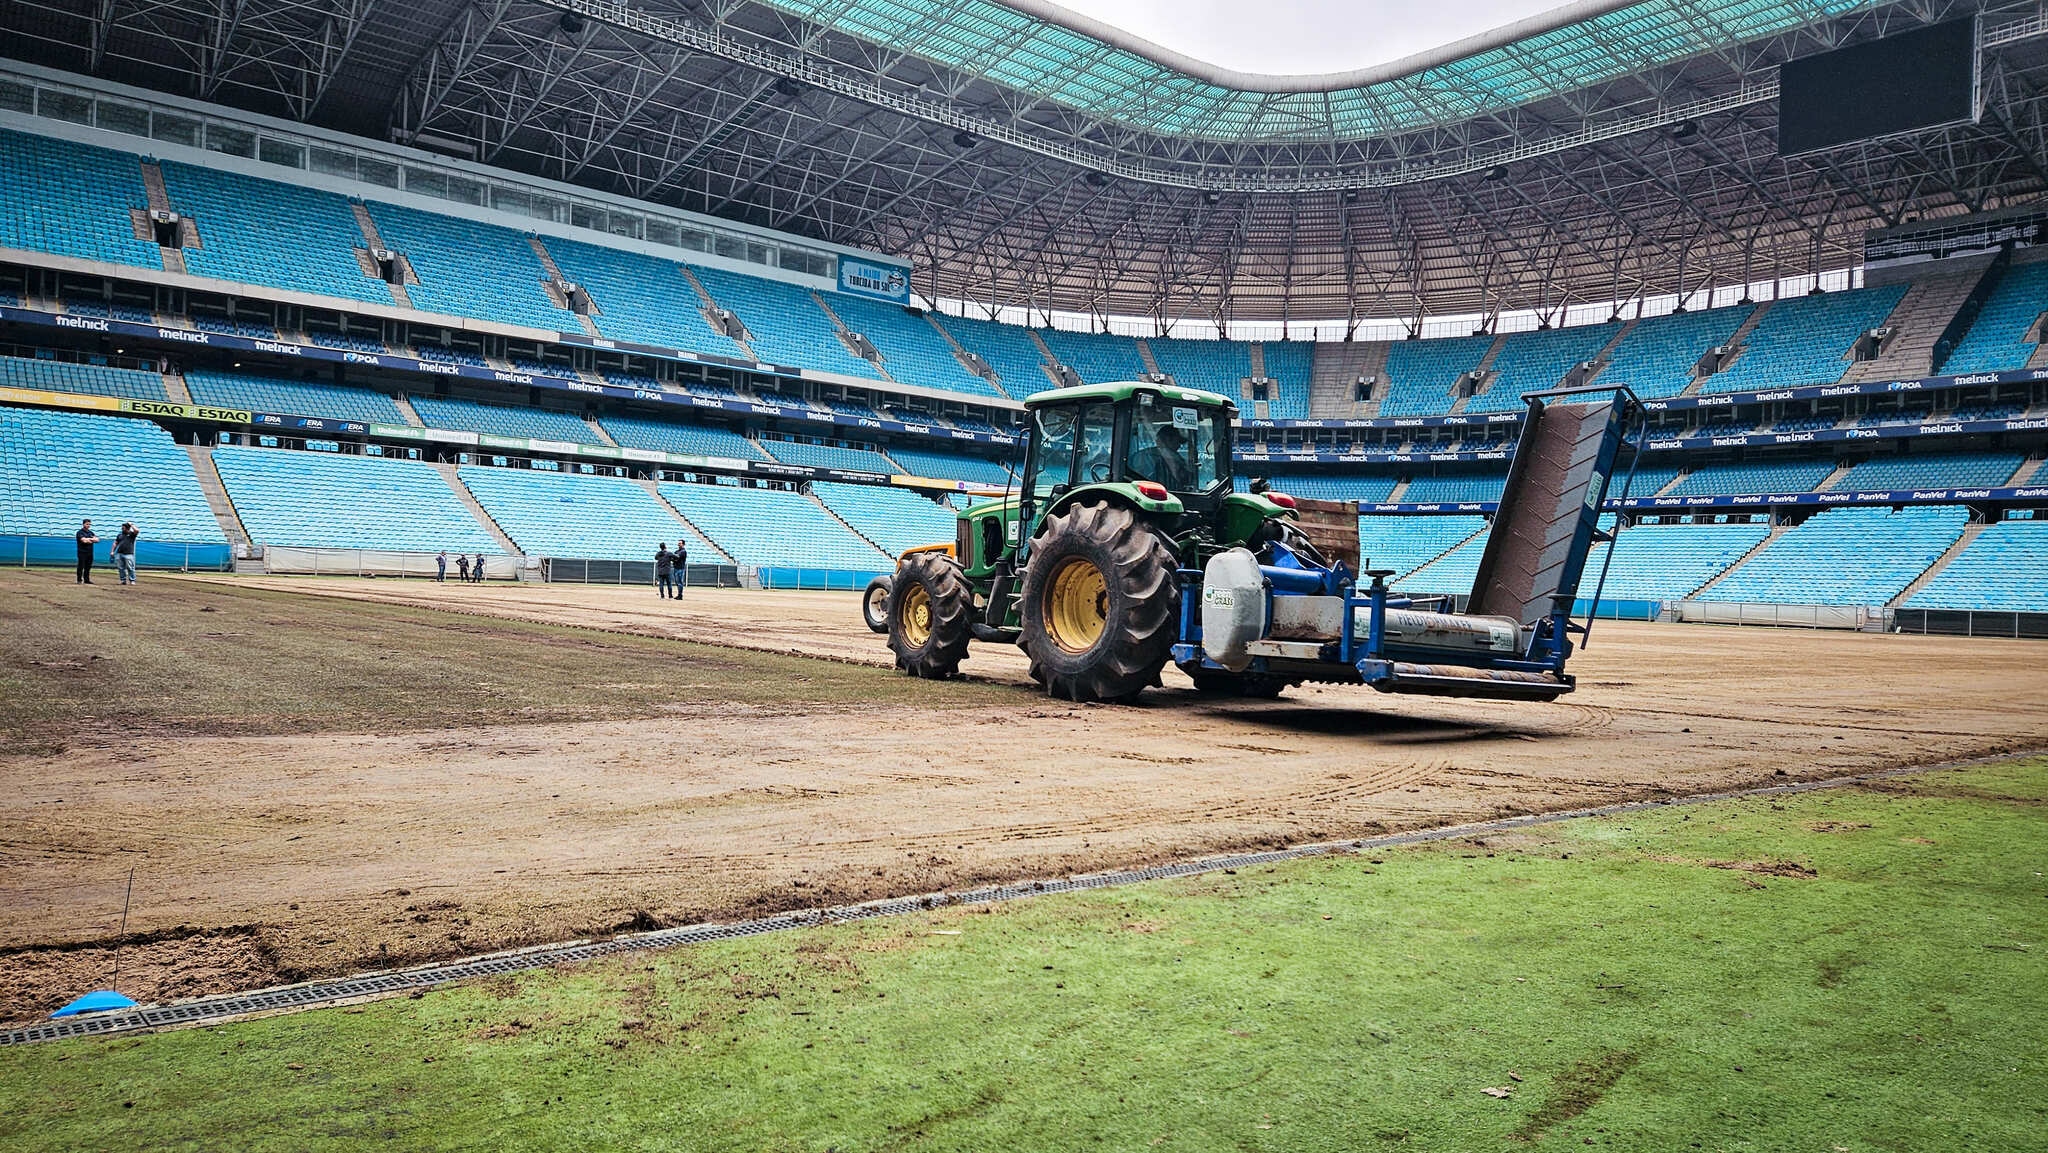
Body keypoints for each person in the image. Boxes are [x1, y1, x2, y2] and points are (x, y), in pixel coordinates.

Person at [1131, 422, 1194, 491]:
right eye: (1177, 442)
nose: (1179, 446)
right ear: (1166, 440)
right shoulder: (1146, 457)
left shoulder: (1140, 455)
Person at [74, 519, 99, 584]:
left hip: (90, 552)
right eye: (87, 524)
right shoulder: (79, 532)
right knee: (81, 566)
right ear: (83, 524)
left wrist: (88, 539)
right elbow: (84, 541)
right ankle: (79, 580)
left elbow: (97, 540)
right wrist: (91, 539)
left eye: (89, 524)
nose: (88, 525)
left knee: (88, 567)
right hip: (82, 552)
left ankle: (86, 580)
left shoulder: (91, 532)